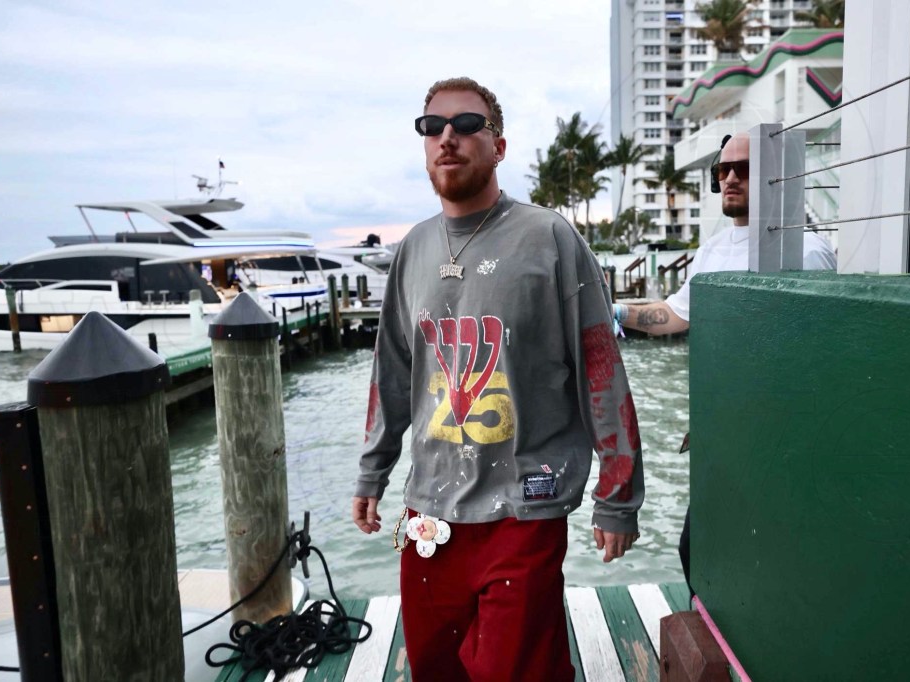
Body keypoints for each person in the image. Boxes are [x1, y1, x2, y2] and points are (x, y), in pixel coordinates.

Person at [351, 77, 644, 682]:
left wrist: (617, 496)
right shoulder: (412, 250)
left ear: (499, 145)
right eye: (432, 127)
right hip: (428, 513)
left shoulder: (550, 238)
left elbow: (599, 368)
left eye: (466, 124)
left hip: (525, 509)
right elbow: (394, 373)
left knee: (518, 670)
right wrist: (372, 469)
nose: (447, 137)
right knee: (434, 667)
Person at [612, 132, 836, 593]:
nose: (729, 178)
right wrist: (614, 311)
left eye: (744, 169)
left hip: (776, 437)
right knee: (698, 549)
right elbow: (675, 314)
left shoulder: (804, 252)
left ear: (777, 177)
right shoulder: (715, 249)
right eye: (722, 169)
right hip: (722, 433)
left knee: (769, 558)